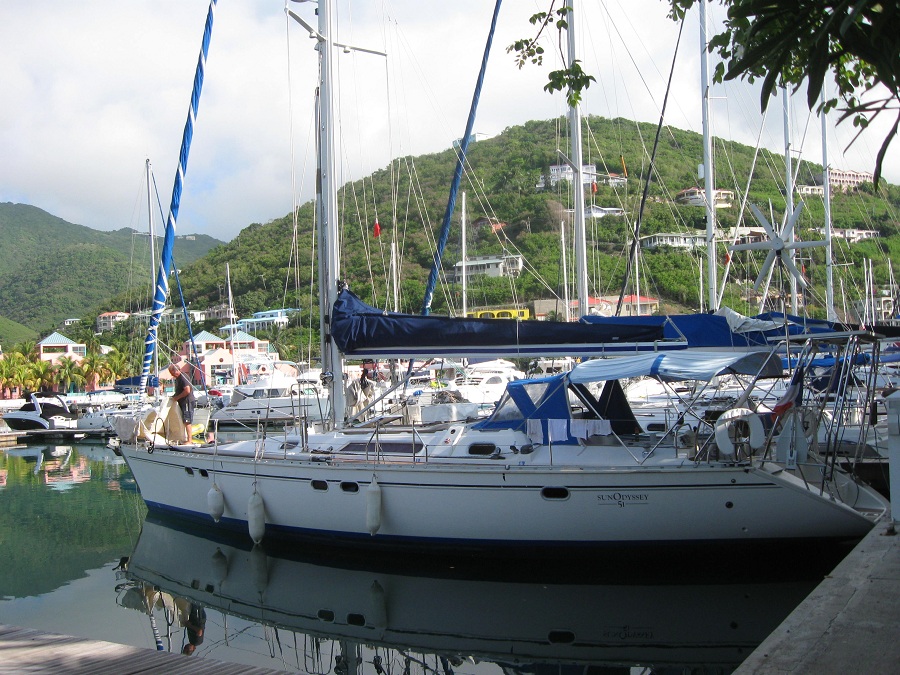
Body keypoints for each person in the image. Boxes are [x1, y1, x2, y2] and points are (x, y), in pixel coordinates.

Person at [168, 362, 196, 444]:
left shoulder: (183, 377)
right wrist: (173, 397)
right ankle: (184, 438)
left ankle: (190, 440)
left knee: (187, 421)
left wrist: (177, 398)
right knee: (183, 420)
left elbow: (187, 390)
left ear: (176, 370)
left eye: (172, 373)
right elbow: (179, 391)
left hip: (187, 401)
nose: (172, 375)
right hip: (182, 402)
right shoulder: (177, 378)